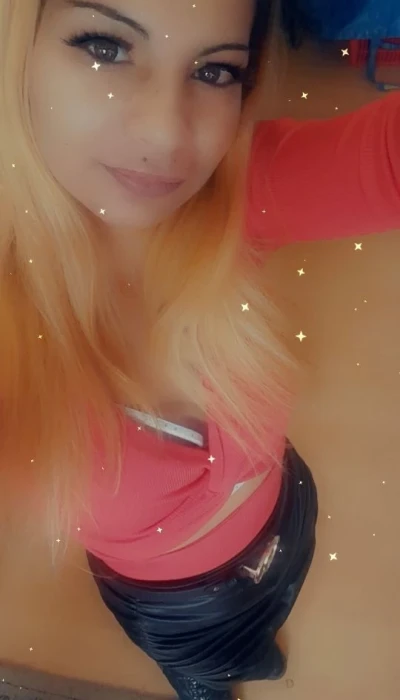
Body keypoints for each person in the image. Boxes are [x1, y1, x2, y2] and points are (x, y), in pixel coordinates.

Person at [1, 1, 400, 699]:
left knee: (264, 621)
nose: (168, 132)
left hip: (285, 518)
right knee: (205, 671)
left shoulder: (231, 194)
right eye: (105, 46)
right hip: (170, 600)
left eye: (215, 71)